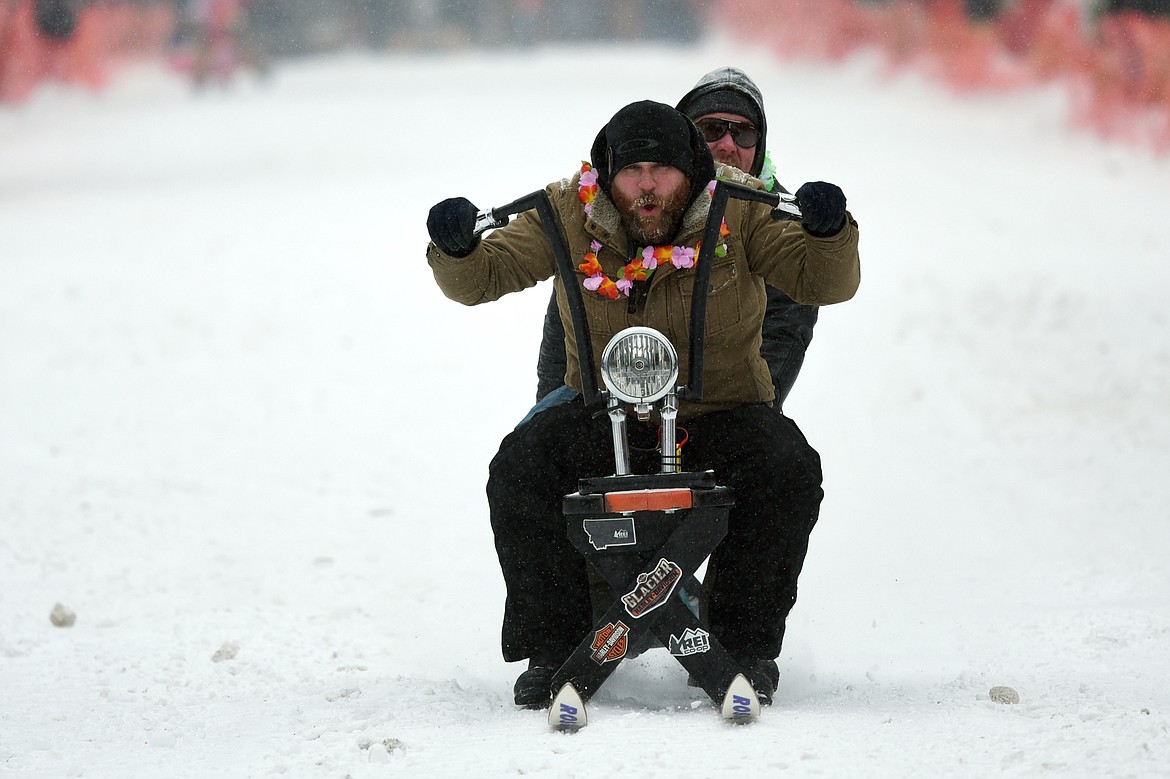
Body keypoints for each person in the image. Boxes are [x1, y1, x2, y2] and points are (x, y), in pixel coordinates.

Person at [425, 100, 860, 708]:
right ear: (606, 177)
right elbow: (479, 278)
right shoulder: (565, 211)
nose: (648, 186)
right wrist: (455, 248)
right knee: (522, 466)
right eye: (632, 172)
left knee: (786, 467)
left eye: (664, 170)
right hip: (605, 417)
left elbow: (826, 280)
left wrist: (828, 230)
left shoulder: (740, 208)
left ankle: (742, 646)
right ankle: (555, 648)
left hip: (718, 416)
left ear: (692, 171)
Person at [532, 67, 818, 417]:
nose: (726, 145)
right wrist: (551, 405)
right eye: (710, 129)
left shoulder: (772, 219)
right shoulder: (629, 199)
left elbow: (785, 332)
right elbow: (569, 319)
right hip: (610, 397)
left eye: (744, 133)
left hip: (720, 406)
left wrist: (755, 413)